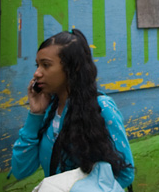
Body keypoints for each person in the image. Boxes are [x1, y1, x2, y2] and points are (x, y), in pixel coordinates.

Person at [11, 29, 135, 188]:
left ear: (73, 68)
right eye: (38, 65)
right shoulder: (50, 110)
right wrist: (36, 114)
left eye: (46, 65)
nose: (37, 73)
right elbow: (21, 170)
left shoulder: (101, 108)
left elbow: (125, 174)